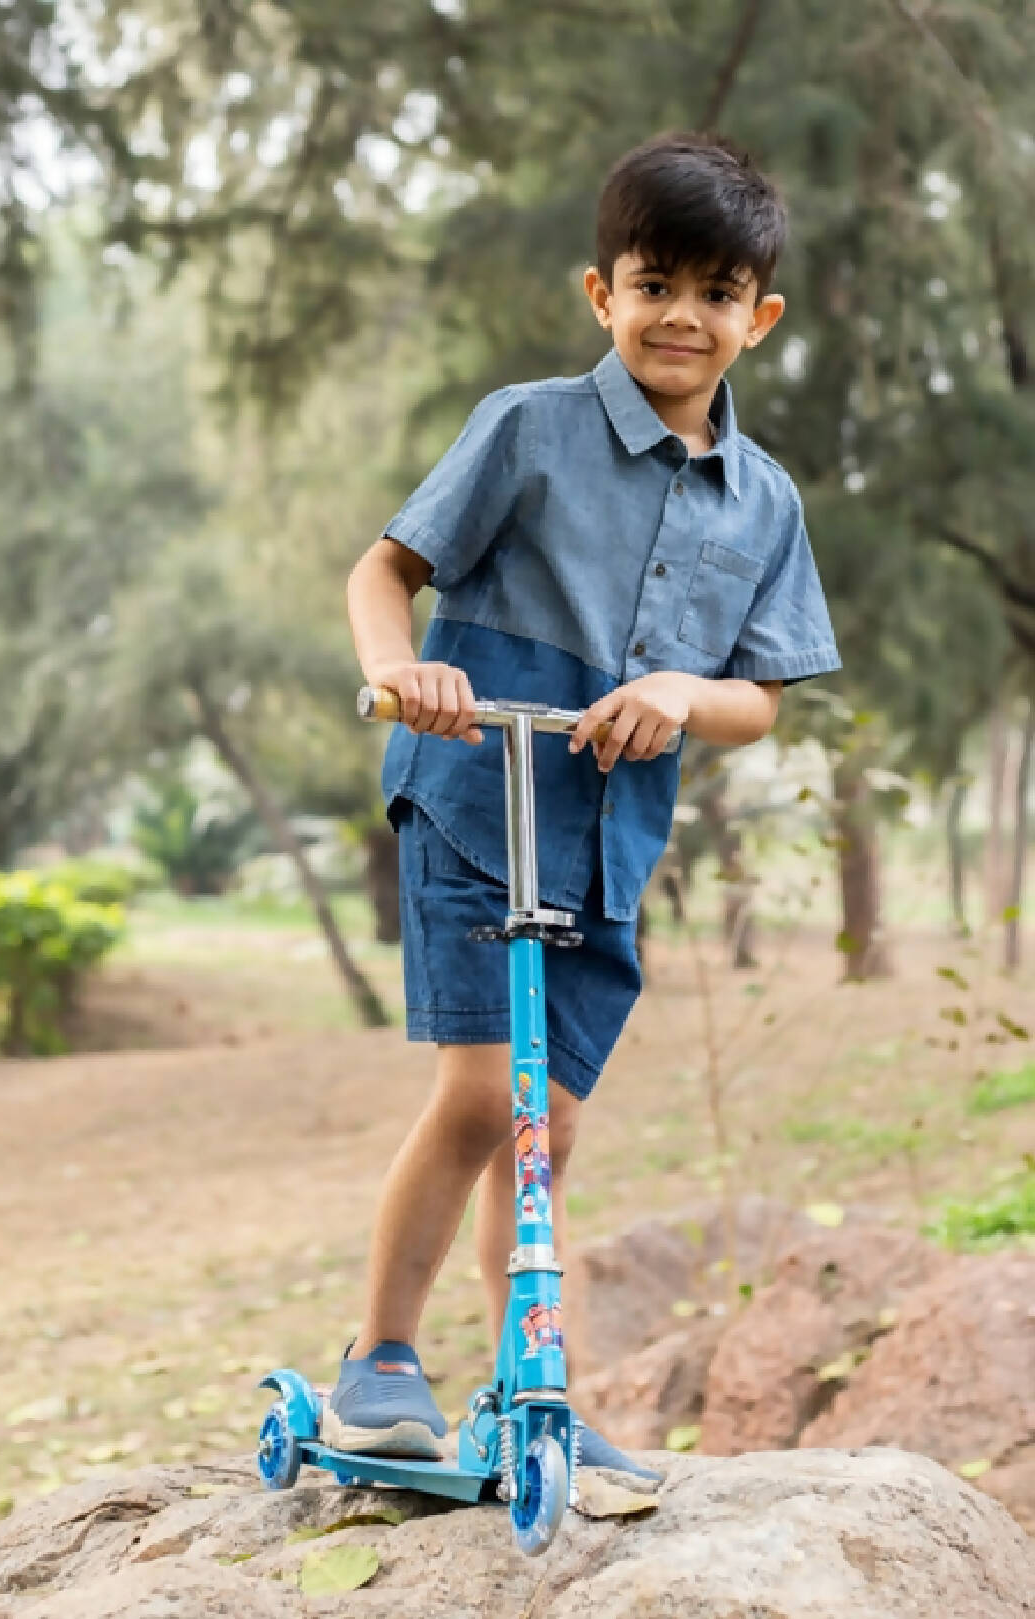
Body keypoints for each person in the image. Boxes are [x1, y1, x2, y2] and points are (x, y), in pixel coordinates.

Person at [333, 130, 840, 1479]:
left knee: (547, 1126)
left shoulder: (766, 501)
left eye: (717, 291)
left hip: (608, 837)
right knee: (485, 1097)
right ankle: (380, 1357)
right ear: (599, 293)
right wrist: (402, 672)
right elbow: (382, 575)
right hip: (472, 796)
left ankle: (526, 1383)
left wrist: (679, 688)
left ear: (760, 316)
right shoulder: (528, 427)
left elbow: (762, 698)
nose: (684, 314)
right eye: (655, 280)